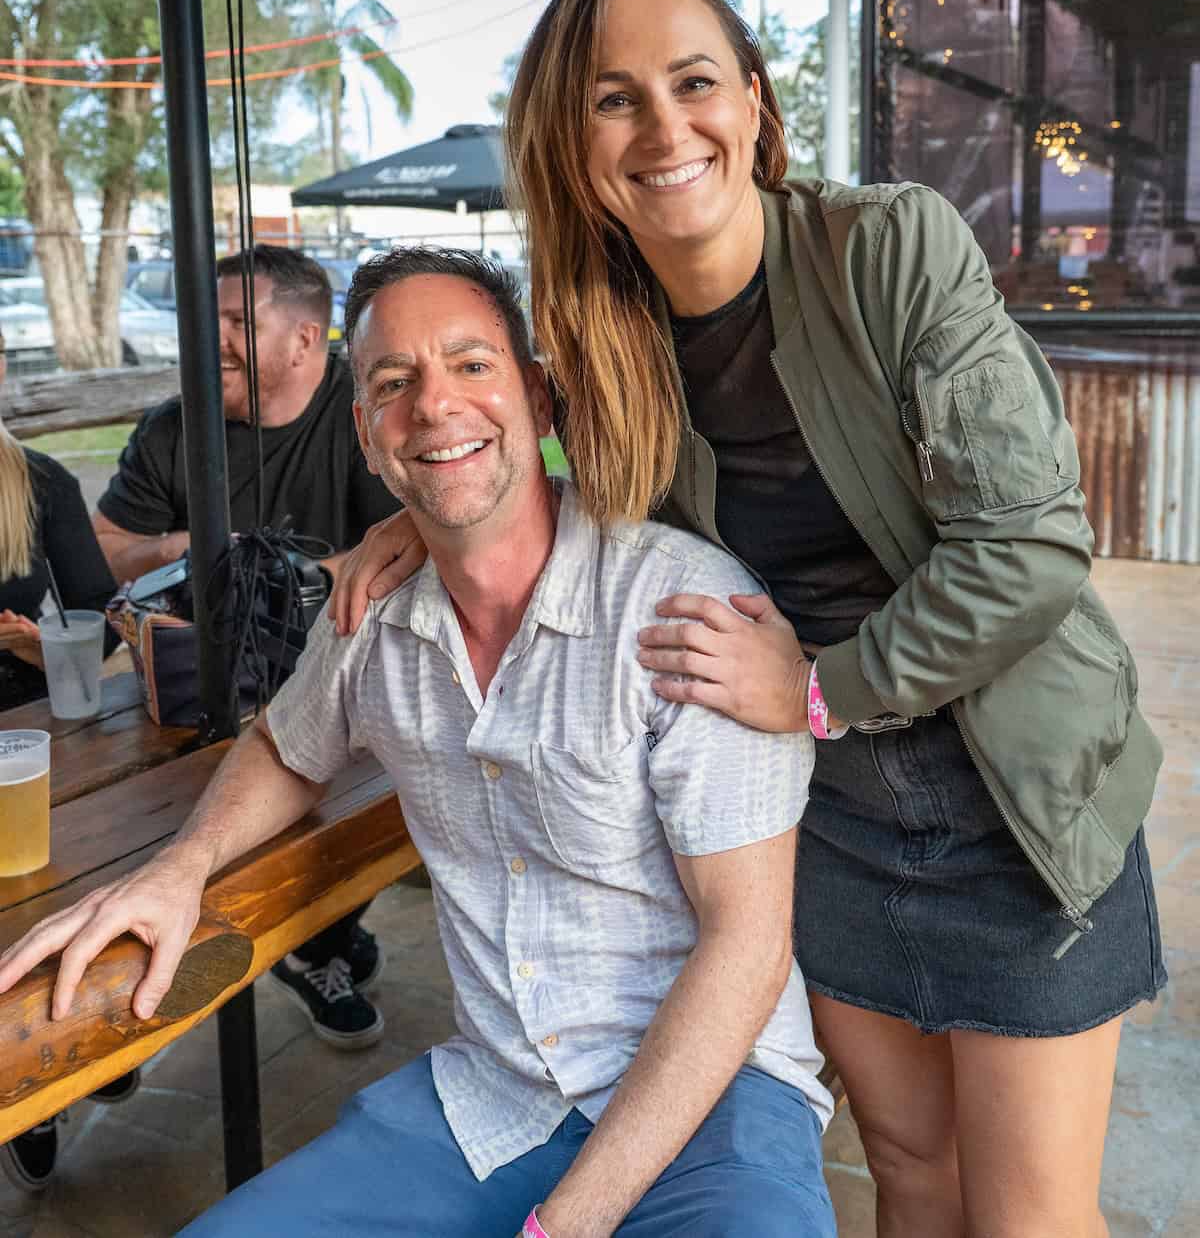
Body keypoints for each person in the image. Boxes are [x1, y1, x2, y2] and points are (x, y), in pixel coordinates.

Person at [331, 0, 1166, 1238]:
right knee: (910, 1169)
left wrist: (820, 688)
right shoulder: (608, 347)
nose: (666, 126)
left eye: (694, 81)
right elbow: (537, 460)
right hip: (831, 818)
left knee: (1028, 1217)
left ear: (754, 103)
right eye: (616, 99)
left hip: (1015, 794)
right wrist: (426, 517)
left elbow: (1031, 548)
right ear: (576, 152)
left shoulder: (889, 248)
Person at [0, 248, 835, 1238]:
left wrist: (564, 1224)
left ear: (538, 397)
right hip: (498, 1093)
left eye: (472, 364)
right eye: (394, 382)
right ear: (367, 433)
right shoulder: (376, 616)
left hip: (714, 1092)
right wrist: (180, 867)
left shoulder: (681, 610)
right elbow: (285, 746)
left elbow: (746, 946)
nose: (435, 404)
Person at [94, 244, 401, 1053]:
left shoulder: (364, 413)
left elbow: (402, 547)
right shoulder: (175, 427)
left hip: (349, 672)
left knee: (378, 801)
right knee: (131, 827)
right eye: (204, 321)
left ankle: (319, 943)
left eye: (234, 321)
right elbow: (107, 545)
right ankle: (108, 1011)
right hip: (197, 686)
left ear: (304, 339)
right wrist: (187, 550)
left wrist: (280, 578)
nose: (211, 342)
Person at [0, 328, 135, 1195]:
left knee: (54, 901)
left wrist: (37, 644)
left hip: (38, 747)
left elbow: (102, 619)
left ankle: (70, 1049)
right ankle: (28, 1091)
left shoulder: (37, 482)